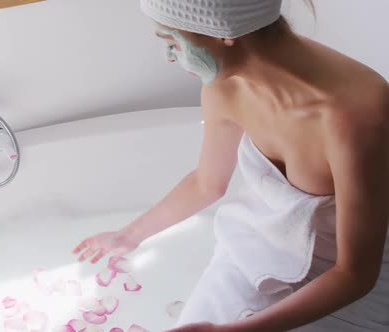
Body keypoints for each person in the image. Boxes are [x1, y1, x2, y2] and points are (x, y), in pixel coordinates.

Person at [73, 0, 389, 331]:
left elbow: (355, 274)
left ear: (224, 33)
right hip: (258, 249)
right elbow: (206, 183)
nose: (168, 57)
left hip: (345, 280)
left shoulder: (354, 115)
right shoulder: (224, 89)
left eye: (172, 42)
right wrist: (129, 235)